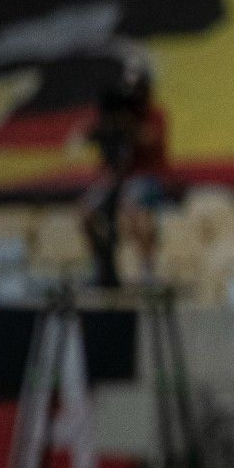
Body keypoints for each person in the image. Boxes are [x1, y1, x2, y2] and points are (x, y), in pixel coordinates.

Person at [79, 47, 169, 288]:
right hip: (120, 178)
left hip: (147, 177)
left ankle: (147, 270)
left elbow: (149, 139)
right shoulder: (116, 116)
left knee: (132, 208)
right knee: (86, 212)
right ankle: (100, 266)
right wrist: (107, 127)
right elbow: (104, 151)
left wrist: (127, 124)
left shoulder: (155, 115)